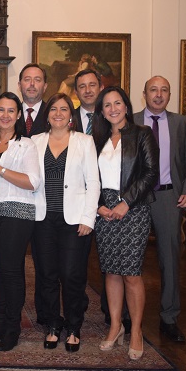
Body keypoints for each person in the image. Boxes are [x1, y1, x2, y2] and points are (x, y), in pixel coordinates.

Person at [92, 86, 158, 361]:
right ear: (102, 112)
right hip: (103, 210)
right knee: (110, 271)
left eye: (117, 103)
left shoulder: (142, 134)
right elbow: (88, 175)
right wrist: (97, 205)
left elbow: (150, 172)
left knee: (131, 272)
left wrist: (125, 203)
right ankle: (116, 326)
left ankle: (136, 331)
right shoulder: (96, 139)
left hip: (133, 209)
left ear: (126, 106)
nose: (113, 109)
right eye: (107, 105)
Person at [0, 92, 42, 352]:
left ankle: (13, 328)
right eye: (0, 110)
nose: (5, 115)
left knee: (12, 271)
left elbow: (33, 182)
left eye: (11, 111)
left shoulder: (26, 145)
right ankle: (0, 323)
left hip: (17, 213)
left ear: (18, 115)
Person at [32, 93, 100, 352]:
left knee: (72, 275)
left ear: (71, 115)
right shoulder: (34, 142)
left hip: (75, 221)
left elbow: (93, 182)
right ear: (47, 114)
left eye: (63, 109)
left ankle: (73, 326)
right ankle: (53, 323)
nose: (58, 113)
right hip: (42, 219)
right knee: (47, 275)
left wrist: (88, 218)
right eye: (53, 109)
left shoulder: (85, 141)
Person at [134, 76, 186, 343]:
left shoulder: (181, 122)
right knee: (129, 259)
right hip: (136, 198)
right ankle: (126, 315)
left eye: (164, 90)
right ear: (144, 94)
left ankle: (169, 317)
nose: (158, 95)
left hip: (169, 197)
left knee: (170, 258)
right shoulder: (131, 120)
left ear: (170, 95)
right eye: (153, 90)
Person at [74, 68, 130, 331]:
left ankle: (115, 316)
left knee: (116, 262)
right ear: (76, 92)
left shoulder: (113, 125)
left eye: (92, 85)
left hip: (114, 203)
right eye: (82, 86)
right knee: (81, 261)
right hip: (80, 203)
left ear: (100, 87)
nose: (87, 90)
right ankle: (80, 309)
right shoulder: (65, 117)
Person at [15, 62, 49, 327]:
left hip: (45, 201)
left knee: (44, 262)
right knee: (11, 261)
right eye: (27, 79)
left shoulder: (56, 113)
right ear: (20, 84)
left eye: (37, 80)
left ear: (44, 86)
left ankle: (44, 313)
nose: (32, 84)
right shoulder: (8, 113)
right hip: (13, 201)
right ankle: (10, 309)